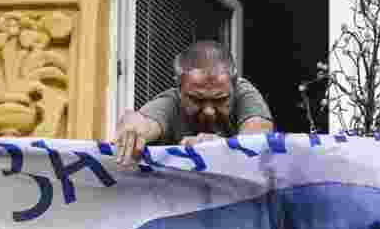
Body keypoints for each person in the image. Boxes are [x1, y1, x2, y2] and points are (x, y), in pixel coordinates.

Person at [114, 40, 274, 165]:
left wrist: (219, 147)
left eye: (221, 100)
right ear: (179, 88)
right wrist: (131, 129)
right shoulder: (171, 102)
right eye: (197, 100)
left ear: (234, 84)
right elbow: (144, 123)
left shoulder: (244, 93)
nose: (209, 111)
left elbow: (258, 139)